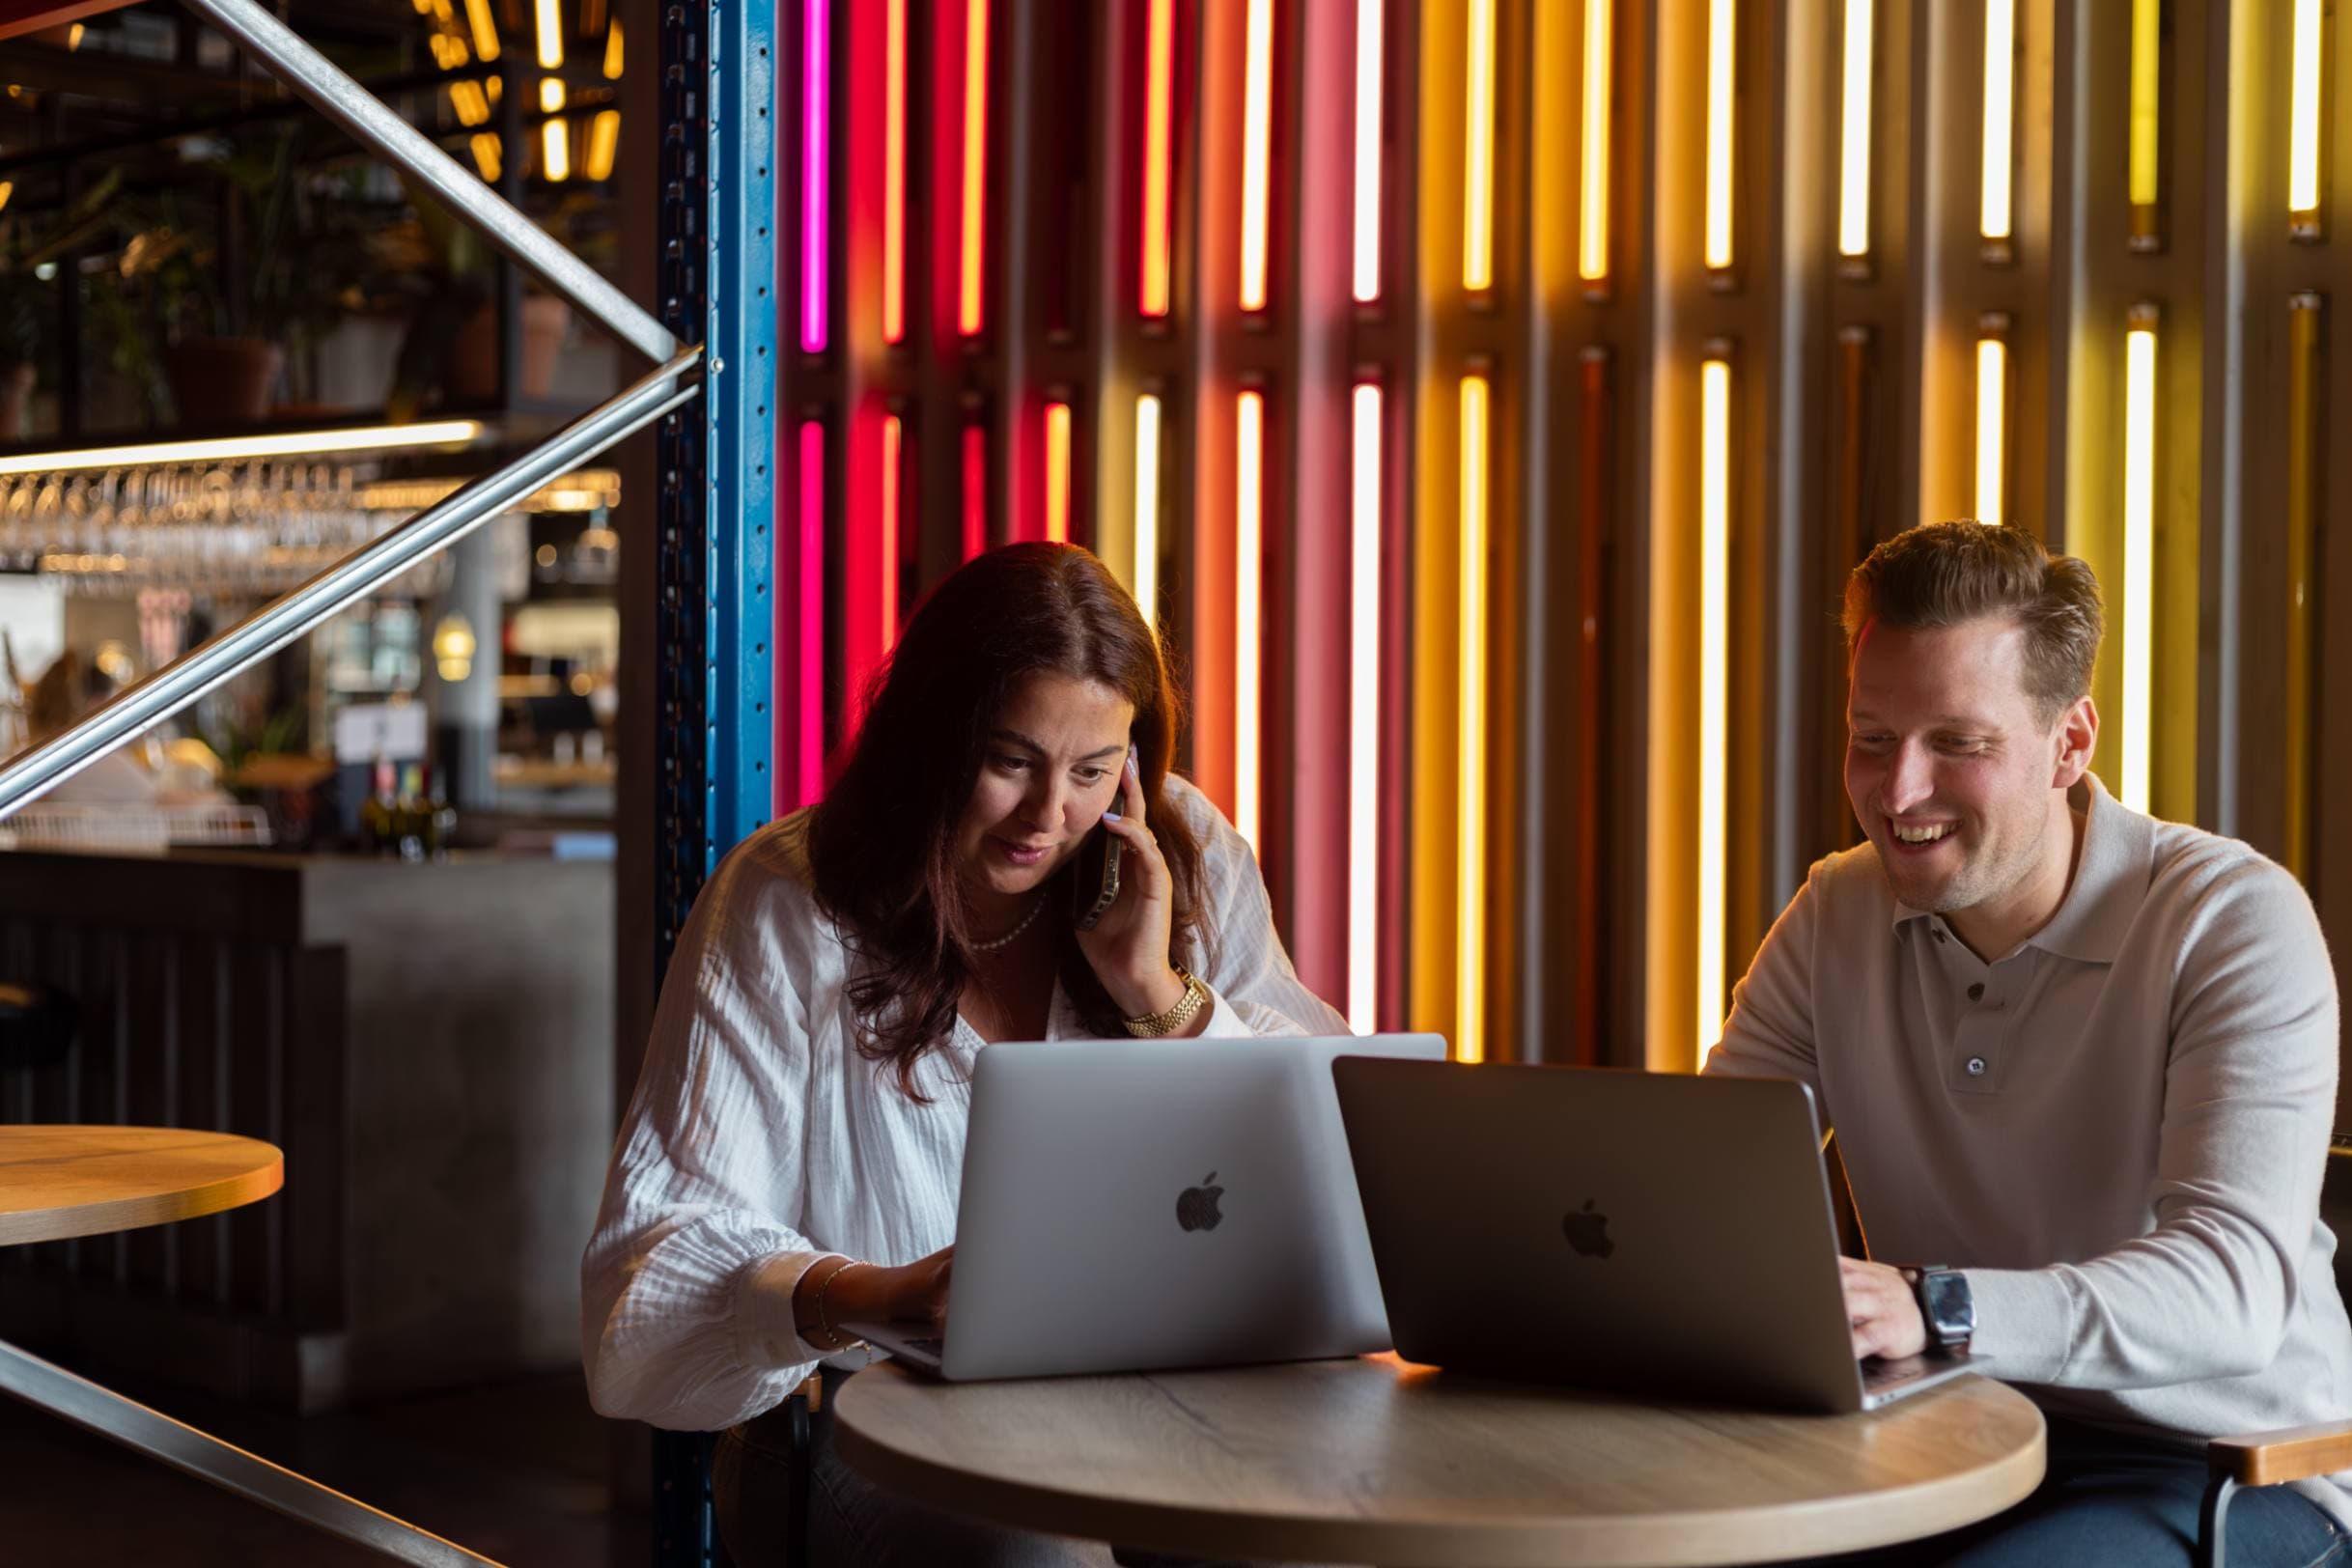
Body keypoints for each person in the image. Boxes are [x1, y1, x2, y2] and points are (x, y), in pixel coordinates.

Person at [581, 542, 1348, 1568]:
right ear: (931, 738)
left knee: (1315, 1541)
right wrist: (871, 1296)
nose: (1050, 816)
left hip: (1175, 1399)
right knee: (1036, 1557)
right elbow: (646, 1278)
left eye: (1093, 771)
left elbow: (1329, 1144)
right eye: (1011, 761)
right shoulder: (786, 902)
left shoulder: (1182, 854)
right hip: (893, 1418)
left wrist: (1157, 993)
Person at [1706, 521, 2351, 1566]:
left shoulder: (2231, 919)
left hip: (2229, 1469)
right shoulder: (1834, 913)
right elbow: (1708, 1189)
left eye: (1957, 744)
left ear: (2071, 743)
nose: (1897, 793)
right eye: (1873, 737)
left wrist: (1937, 1307)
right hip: (1947, 1431)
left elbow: (2229, 1292)